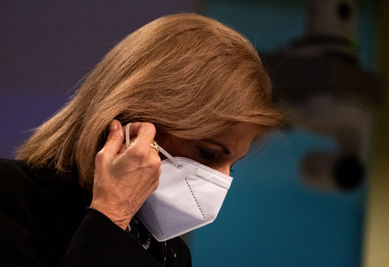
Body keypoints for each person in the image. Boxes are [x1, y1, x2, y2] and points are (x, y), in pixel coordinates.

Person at [0, 13, 282, 266]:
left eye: (231, 166)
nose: (219, 182)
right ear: (133, 121)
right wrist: (112, 215)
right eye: (208, 154)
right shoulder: (11, 196)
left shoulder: (170, 254)